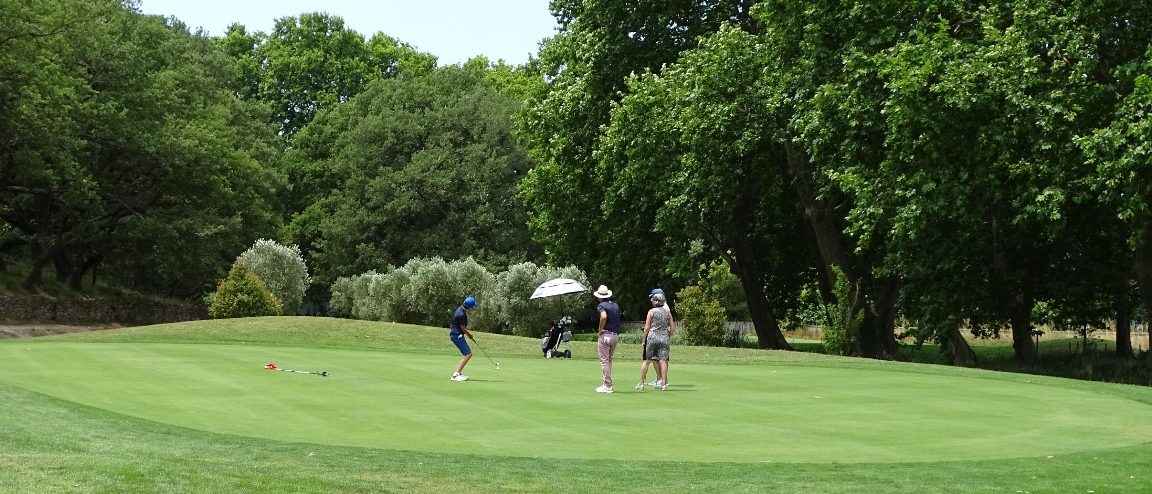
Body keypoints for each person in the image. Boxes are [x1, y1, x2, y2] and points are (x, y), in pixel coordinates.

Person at [637, 290, 675, 391]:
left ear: (654, 302)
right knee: (663, 361)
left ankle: (641, 383)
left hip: (652, 338)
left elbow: (647, 328)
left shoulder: (651, 312)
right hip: (664, 339)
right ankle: (663, 384)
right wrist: (668, 335)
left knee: (646, 361)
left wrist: (644, 339)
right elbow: (672, 327)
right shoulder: (667, 313)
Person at [593, 285, 622, 393]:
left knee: (604, 360)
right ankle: (607, 383)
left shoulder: (601, 305)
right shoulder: (615, 305)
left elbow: (604, 316)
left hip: (606, 335)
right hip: (615, 336)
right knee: (609, 359)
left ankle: (608, 385)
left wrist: (600, 329)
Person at [449, 296, 478, 381]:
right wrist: (470, 335)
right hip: (457, 336)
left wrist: (465, 331)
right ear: (469, 307)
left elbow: (461, 326)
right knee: (468, 354)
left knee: (467, 354)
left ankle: (458, 373)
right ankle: (456, 375)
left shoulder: (460, 310)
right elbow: (462, 328)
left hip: (456, 334)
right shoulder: (462, 314)